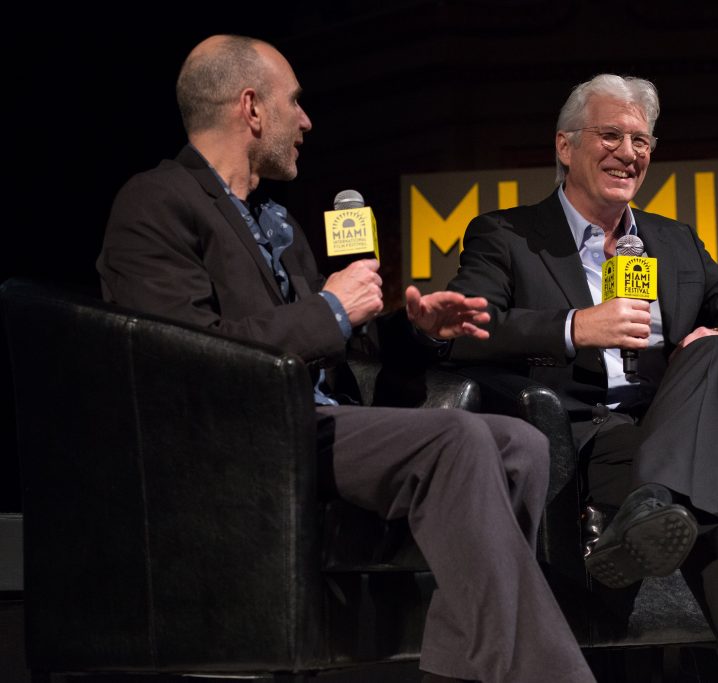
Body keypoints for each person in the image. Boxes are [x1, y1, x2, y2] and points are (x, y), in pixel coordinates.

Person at [96, 35, 596, 683]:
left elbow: (340, 341)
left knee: (522, 446)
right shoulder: (157, 200)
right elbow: (182, 353)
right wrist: (329, 310)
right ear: (251, 108)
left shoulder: (277, 222)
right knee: (458, 437)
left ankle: (457, 673)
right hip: (239, 437)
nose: (305, 121)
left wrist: (417, 330)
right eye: (295, 103)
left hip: (320, 427)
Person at [447, 74, 718, 682]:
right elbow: (465, 328)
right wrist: (574, 327)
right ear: (565, 147)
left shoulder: (673, 242)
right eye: (611, 135)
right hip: (590, 436)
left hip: (668, 421)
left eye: (641, 140)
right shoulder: (507, 235)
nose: (630, 152)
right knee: (713, 467)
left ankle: (653, 505)